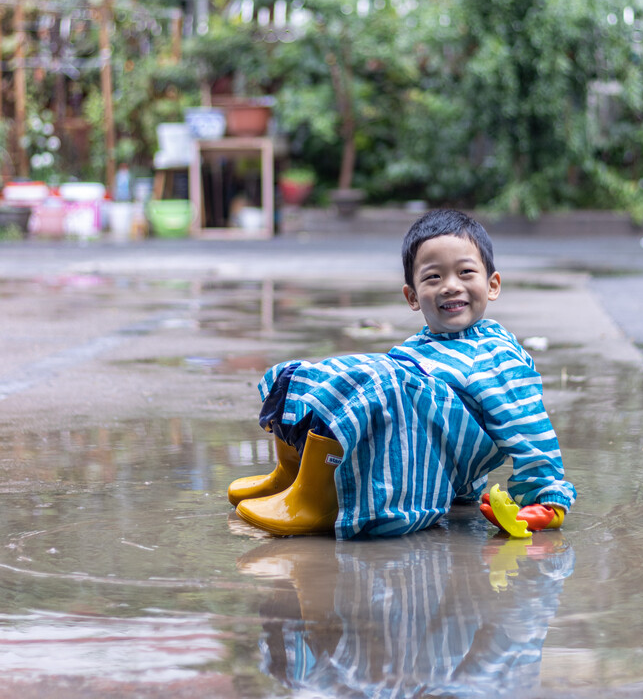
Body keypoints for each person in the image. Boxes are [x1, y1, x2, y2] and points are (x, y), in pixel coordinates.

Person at [229, 209, 576, 539]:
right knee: (310, 373)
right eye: (433, 277)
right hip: (416, 449)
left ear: (493, 285)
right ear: (412, 296)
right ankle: (294, 475)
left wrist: (546, 498)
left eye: (465, 273)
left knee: (378, 377)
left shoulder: (497, 356)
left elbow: (528, 425)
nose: (450, 286)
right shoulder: (419, 344)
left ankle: (315, 502)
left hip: (429, 468)